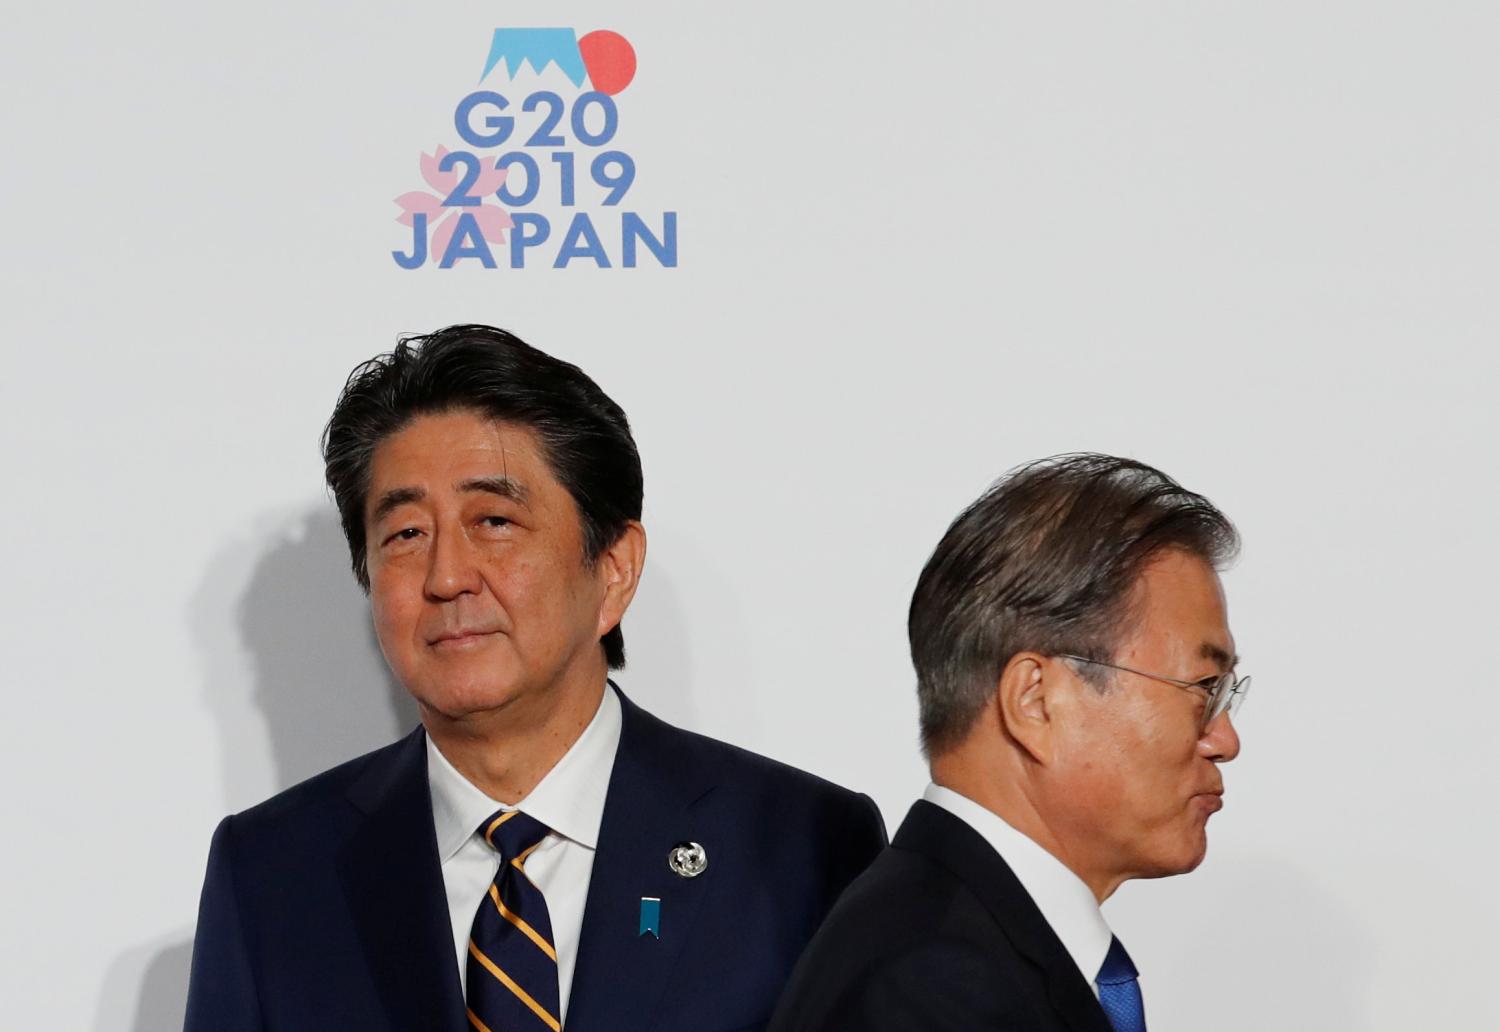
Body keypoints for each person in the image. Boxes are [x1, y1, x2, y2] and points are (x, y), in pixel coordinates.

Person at [184, 324, 886, 1032]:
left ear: (613, 569)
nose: (447, 577)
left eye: (493, 520)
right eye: (404, 535)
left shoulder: (804, 847)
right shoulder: (272, 875)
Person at [769, 454, 1249, 1032]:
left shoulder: (957, 945)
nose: (1225, 740)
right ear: (1036, 701)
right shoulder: (932, 988)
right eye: (1203, 688)